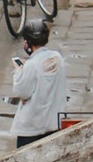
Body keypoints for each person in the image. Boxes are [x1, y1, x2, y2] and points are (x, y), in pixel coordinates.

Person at [9, 17, 68, 146]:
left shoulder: (31, 65)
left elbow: (22, 91)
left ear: (28, 42)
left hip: (32, 128)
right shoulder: (57, 58)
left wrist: (19, 71)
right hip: (54, 123)